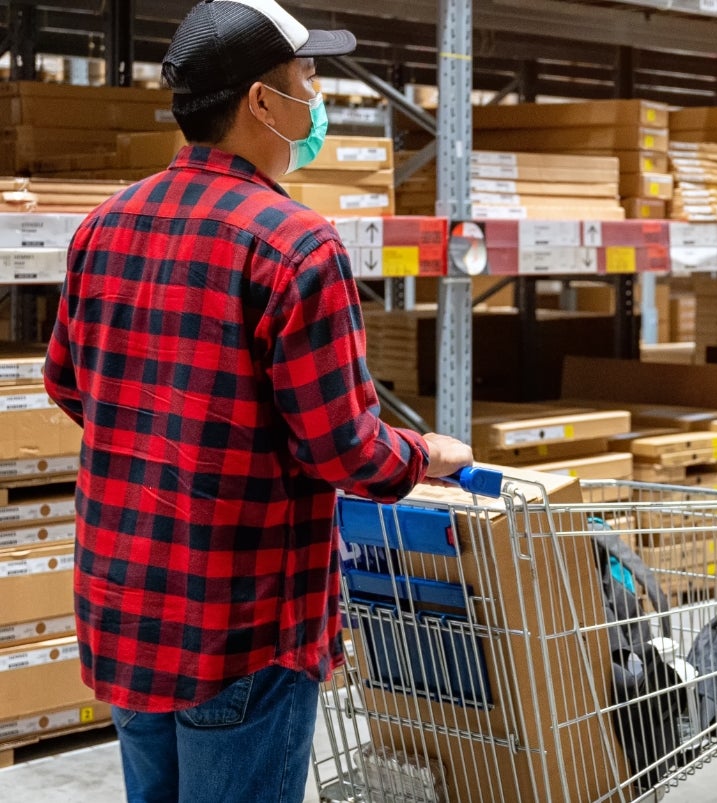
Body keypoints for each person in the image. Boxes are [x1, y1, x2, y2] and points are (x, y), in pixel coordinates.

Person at [42, 1, 474, 800]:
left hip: (124, 609)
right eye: (308, 78)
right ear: (261, 103)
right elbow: (339, 444)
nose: (317, 99)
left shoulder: (102, 227)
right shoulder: (295, 244)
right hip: (238, 625)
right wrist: (424, 454)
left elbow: (69, 381)